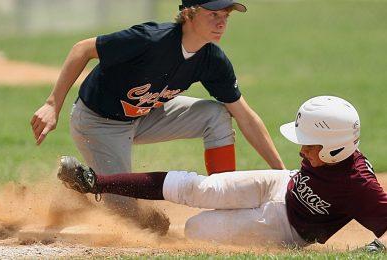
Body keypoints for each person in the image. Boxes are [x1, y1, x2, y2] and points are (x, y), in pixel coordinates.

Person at [30, 0, 285, 232]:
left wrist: (282, 174)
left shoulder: (212, 60)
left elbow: (246, 117)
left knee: (216, 114)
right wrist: (53, 104)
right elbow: (82, 49)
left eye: (226, 16)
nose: (221, 22)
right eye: (213, 14)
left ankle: (224, 201)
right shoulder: (150, 39)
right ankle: (78, 191)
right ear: (189, 14)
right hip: (98, 123)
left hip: (144, 115)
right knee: (136, 221)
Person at [58, 96, 386, 250]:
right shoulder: (325, 156)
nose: (302, 150)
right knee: (199, 188)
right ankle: (93, 181)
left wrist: (376, 249)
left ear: (334, 147)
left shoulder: (359, 186)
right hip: (282, 184)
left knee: (198, 228)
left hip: (289, 229)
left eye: (309, 145)